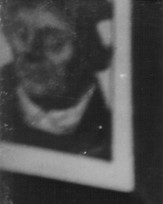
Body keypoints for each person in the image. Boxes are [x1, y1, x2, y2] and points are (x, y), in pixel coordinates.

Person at [0, 0, 112, 159]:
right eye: (21, 34)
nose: (32, 53)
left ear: (89, 49)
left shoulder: (115, 128)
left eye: (54, 42)